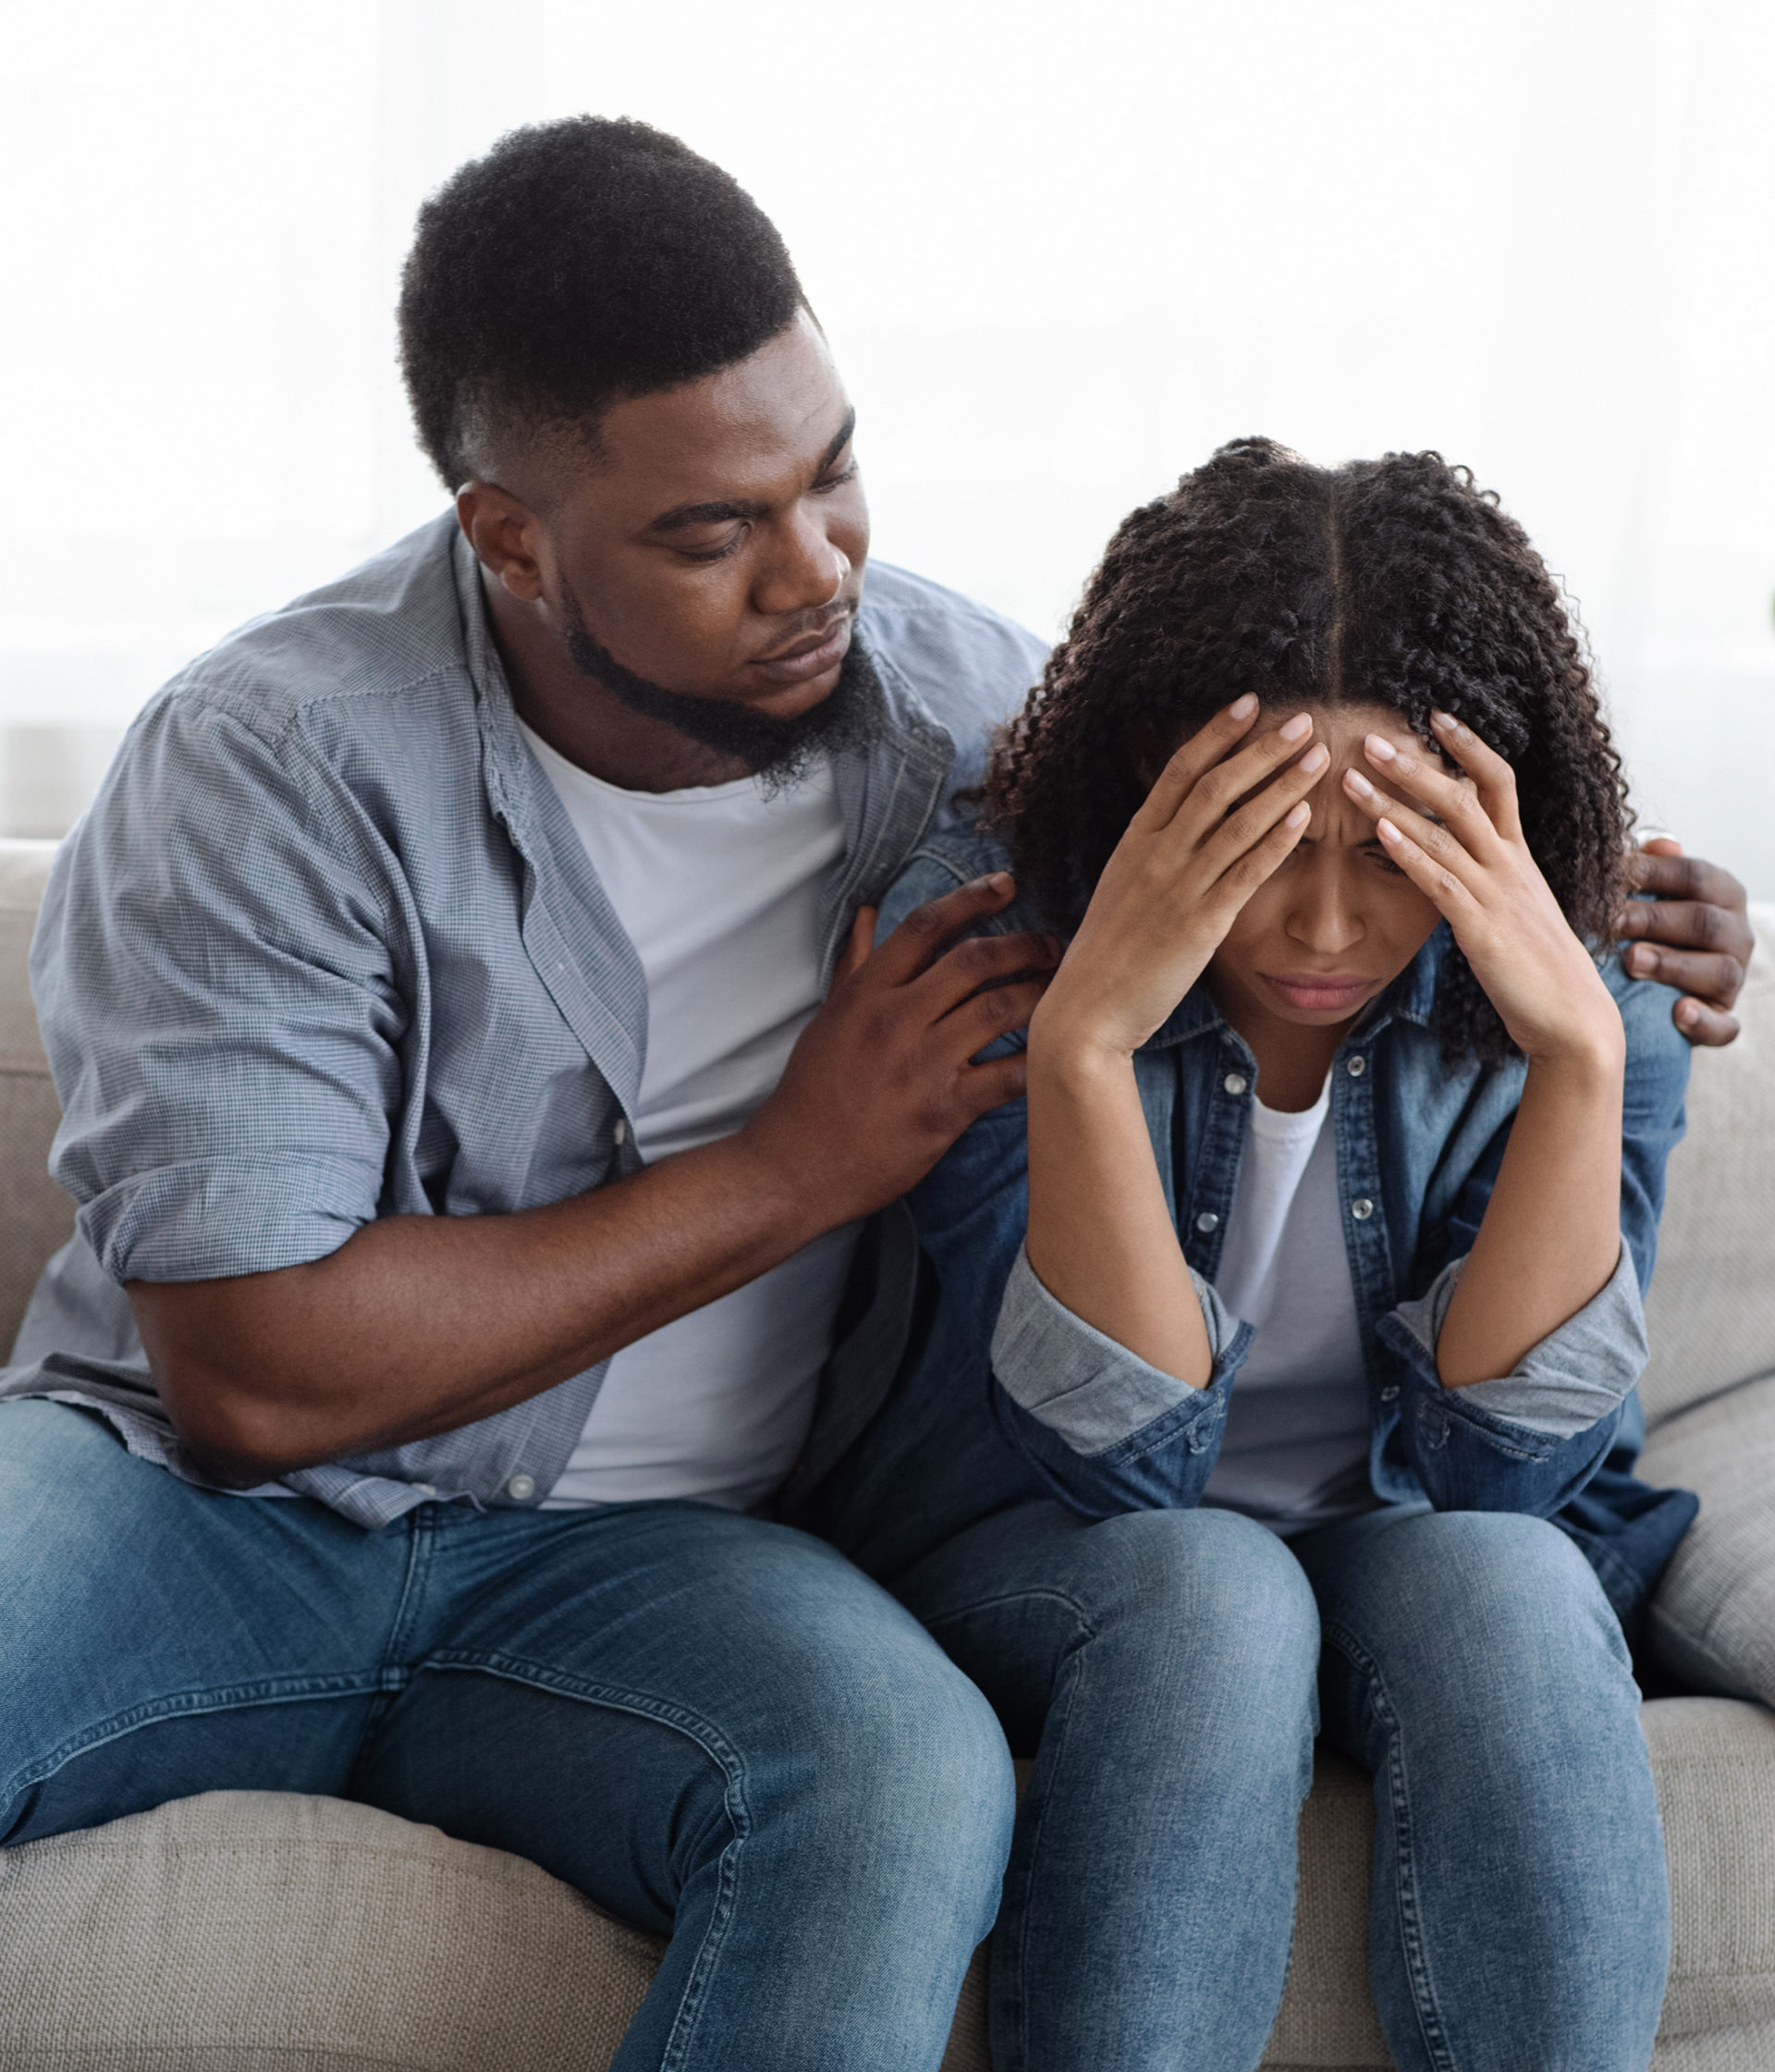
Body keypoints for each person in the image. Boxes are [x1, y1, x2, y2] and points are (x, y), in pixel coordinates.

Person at [0, 121, 1752, 2071]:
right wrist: (793, 1166)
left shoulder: (963, 724)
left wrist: (1622, 929)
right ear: (509, 536)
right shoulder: (273, 765)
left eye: (832, 478)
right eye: (712, 529)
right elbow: (252, 1377)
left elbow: (1296, 770)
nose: (817, 569)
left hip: (663, 1562)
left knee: (907, 1779)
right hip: (190, 1499)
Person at [807, 440, 1718, 2072]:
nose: (1319, 931)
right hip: (1049, 1544)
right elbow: (1119, 1464)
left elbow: (1511, 1473)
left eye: (1387, 856)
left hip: (1420, 1543)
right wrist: (1089, 1040)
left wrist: (1579, 1055)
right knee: (1213, 1586)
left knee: (1516, 1578)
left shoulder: (1593, 970)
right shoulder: (985, 933)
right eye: (1258, 846)